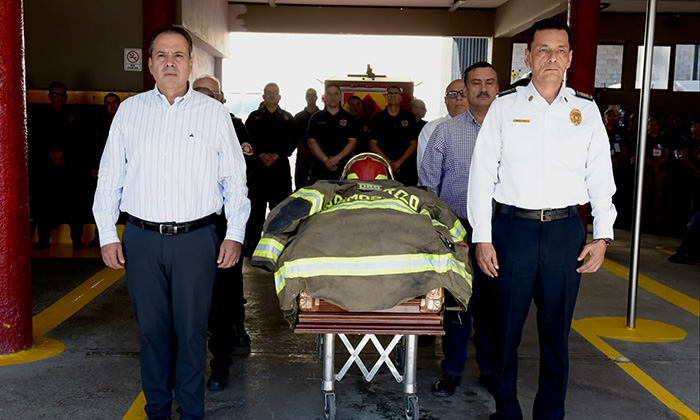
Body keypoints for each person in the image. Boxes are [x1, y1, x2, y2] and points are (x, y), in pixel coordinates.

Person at [93, 26, 250, 420]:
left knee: (193, 333)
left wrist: (233, 234)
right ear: (149, 64)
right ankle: (158, 411)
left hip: (196, 240)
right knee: (152, 335)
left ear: (190, 63)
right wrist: (108, 234)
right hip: (142, 240)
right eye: (161, 55)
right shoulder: (130, 111)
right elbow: (111, 175)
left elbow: (234, 180)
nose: (169, 62)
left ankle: (192, 413)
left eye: (178, 55)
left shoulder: (213, 113)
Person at [467, 18, 616, 420]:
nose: (551, 58)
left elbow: (601, 177)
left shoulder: (585, 111)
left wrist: (602, 235)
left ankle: (550, 413)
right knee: (504, 334)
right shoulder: (504, 106)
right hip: (512, 230)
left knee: (556, 335)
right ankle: (507, 411)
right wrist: (483, 235)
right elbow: (481, 176)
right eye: (543, 50)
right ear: (529, 56)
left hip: (565, 233)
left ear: (570, 57)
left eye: (559, 50)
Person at [419, 62, 498, 398]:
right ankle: (451, 370)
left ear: (497, 88)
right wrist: (439, 232)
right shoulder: (446, 132)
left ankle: (491, 370)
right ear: (465, 89)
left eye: (489, 83)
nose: (482, 89)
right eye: (475, 83)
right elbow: (427, 186)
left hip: (500, 228)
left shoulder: (511, 129)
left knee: (494, 305)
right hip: (458, 230)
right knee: (457, 303)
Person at [192, 74, 254, 391]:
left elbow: (242, 176)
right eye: (199, 92)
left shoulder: (235, 125)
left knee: (224, 294)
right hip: (189, 225)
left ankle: (221, 364)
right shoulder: (182, 123)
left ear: (221, 97)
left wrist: (236, 231)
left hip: (223, 224)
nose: (204, 97)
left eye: (210, 93)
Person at [29, 81, 85, 250]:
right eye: (55, 95)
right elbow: (35, 140)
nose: (59, 98)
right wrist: (50, 154)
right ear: (49, 97)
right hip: (46, 169)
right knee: (44, 206)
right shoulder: (40, 116)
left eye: (62, 95)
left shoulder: (74, 117)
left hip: (68, 168)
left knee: (74, 205)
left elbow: (79, 141)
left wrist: (64, 155)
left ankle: (76, 240)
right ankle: (43, 239)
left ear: (66, 97)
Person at [245, 83, 297, 252]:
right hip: (259, 171)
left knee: (280, 209)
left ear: (280, 96)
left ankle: (278, 245)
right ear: (263, 97)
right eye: (269, 93)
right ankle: (252, 243)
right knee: (256, 211)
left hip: (279, 171)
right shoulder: (254, 117)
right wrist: (260, 154)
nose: (272, 95)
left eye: (275, 93)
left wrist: (279, 154)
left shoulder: (288, 118)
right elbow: (247, 140)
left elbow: (293, 140)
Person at [87, 93, 121, 248]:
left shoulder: (126, 121)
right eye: (108, 103)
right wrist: (93, 167)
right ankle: (99, 235)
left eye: (115, 103)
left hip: (125, 169)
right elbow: (92, 148)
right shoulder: (98, 124)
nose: (112, 106)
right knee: (103, 200)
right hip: (104, 170)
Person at [306, 83, 357, 183]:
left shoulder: (349, 118)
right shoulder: (316, 118)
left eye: (335, 94)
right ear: (325, 97)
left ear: (340, 96)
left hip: (343, 167)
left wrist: (336, 159)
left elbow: (353, 142)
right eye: (329, 94)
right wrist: (326, 160)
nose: (332, 97)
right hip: (320, 167)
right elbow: (311, 142)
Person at [369, 85, 419, 185]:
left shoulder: (409, 117)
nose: (392, 96)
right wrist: (388, 163)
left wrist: (399, 162)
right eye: (390, 93)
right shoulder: (378, 118)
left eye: (395, 93)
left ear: (400, 97)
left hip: (405, 168)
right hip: (383, 168)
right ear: (386, 97)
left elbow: (414, 143)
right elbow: (372, 144)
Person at [416, 79, 468, 170]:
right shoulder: (431, 129)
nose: (459, 98)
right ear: (446, 100)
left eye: (463, 93)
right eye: (452, 94)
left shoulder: (485, 128)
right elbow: (426, 171)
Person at [604, 107, 632, 228]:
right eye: (608, 116)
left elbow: (626, 149)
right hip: (604, 166)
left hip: (618, 167)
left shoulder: (621, 132)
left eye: (613, 116)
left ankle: (619, 219)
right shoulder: (600, 130)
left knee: (618, 192)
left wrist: (617, 159)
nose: (611, 119)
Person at [294, 88, 319, 190]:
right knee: (300, 185)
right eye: (308, 95)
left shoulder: (322, 116)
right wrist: (305, 151)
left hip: (319, 157)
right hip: (303, 155)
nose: (311, 97)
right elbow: (295, 136)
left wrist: (316, 152)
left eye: (313, 95)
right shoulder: (298, 117)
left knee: (318, 185)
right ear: (305, 98)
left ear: (317, 97)